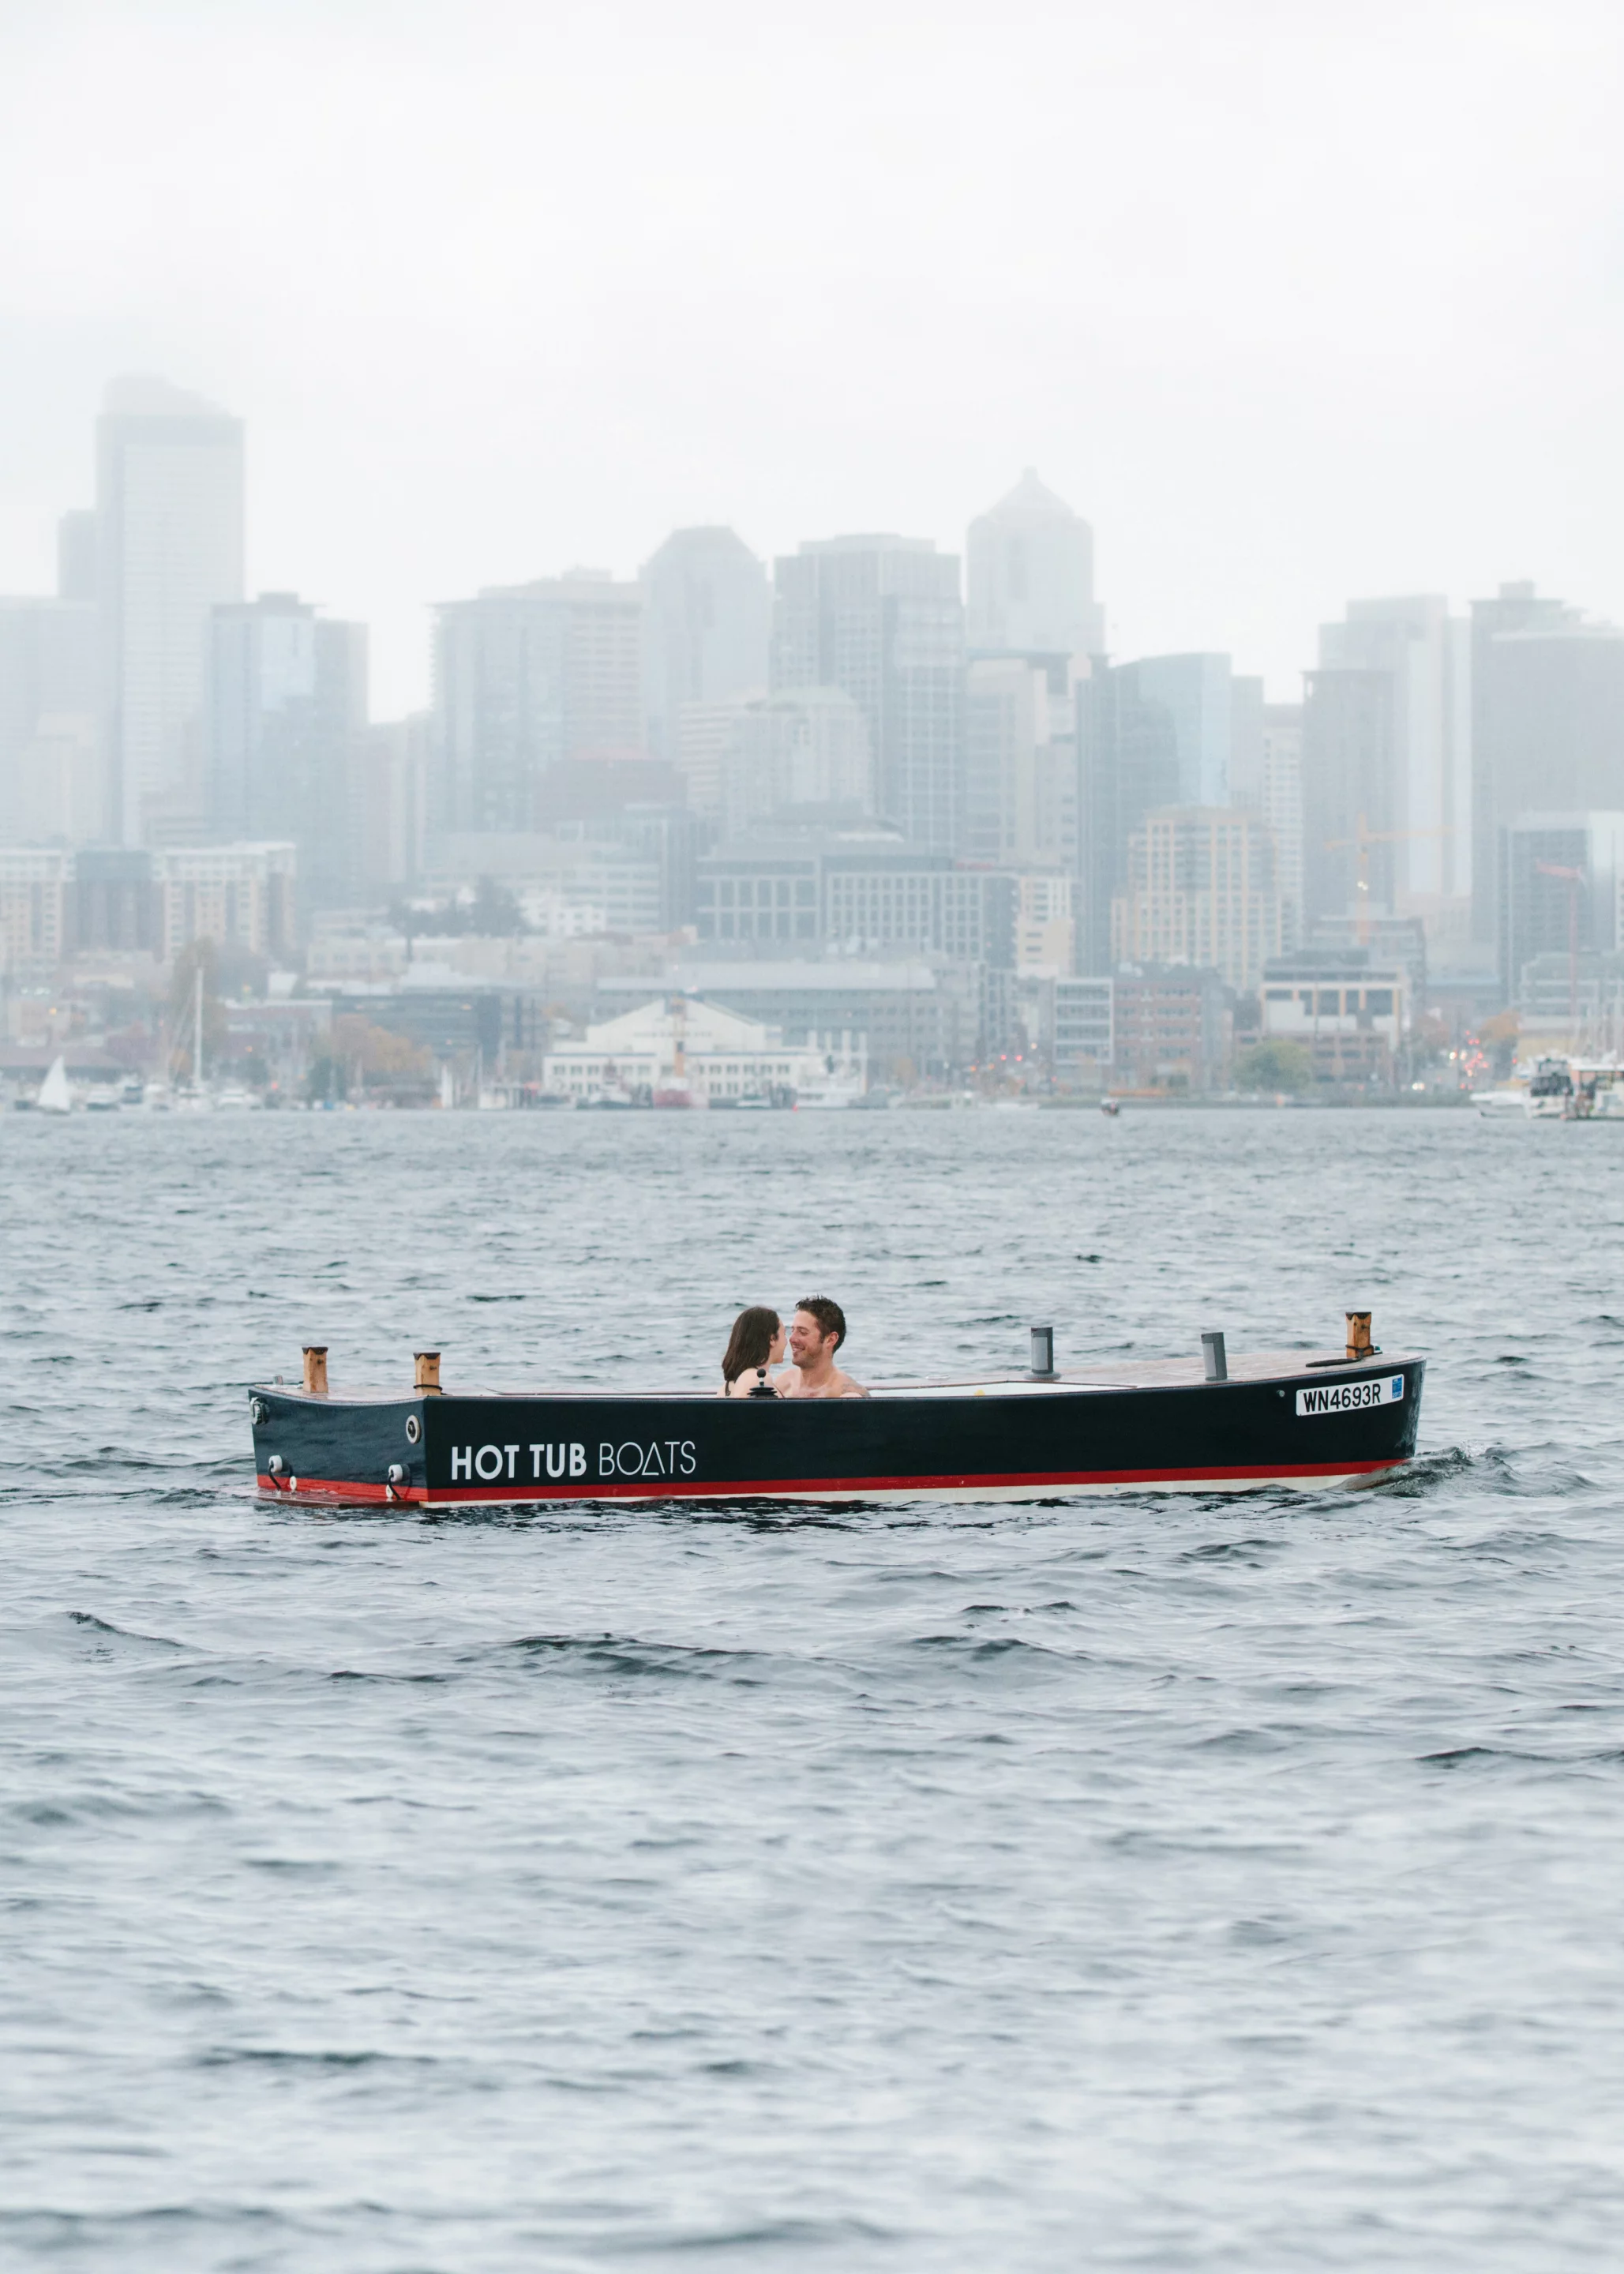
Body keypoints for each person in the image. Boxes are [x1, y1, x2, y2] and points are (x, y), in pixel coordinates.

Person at [775, 1296, 867, 1399]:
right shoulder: (782, 1385)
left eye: (803, 1332)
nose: (792, 1339)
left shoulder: (847, 1394)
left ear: (831, 1340)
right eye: (792, 1331)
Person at [718, 1305, 786, 1397]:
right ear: (772, 1339)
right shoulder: (758, 1379)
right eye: (784, 1333)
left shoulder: (726, 1387)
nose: (787, 1341)